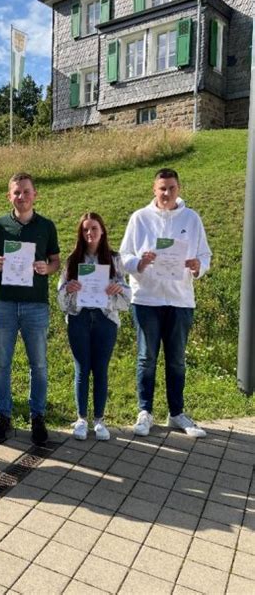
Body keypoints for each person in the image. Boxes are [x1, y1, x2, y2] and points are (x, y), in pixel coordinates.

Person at [120, 168, 212, 438]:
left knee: (176, 361)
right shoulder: (140, 219)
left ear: (179, 189)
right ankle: (145, 412)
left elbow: (205, 255)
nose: (166, 193)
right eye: (162, 188)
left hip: (180, 300)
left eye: (171, 188)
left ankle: (176, 414)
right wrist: (140, 262)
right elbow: (124, 257)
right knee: (146, 358)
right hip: (146, 299)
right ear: (154, 189)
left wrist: (198, 266)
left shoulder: (192, 219)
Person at [0, 172, 60, 445]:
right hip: (3, 303)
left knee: (38, 364)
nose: (22, 197)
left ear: (35, 194)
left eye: (26, 191)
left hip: (35, 305)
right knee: (1, 363)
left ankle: (37, 416)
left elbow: (55, 262)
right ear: (9, 196)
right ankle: (3, 415)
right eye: (16, 192)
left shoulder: (46, 226)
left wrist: (45, 268)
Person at [58, 212, 130, 441]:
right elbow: (60, 299)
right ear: (81, 233)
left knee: (100, 369)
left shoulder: (114, 259)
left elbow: (128, 297)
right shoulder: (73, 260)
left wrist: (118, 289)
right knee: (82, 369)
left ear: (102, 231)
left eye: (94, 229)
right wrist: (68, 288)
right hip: (79, 319)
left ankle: (99, 420)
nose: (90, 233)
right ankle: (81, 419)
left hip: (105, 319)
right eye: (85, 229)